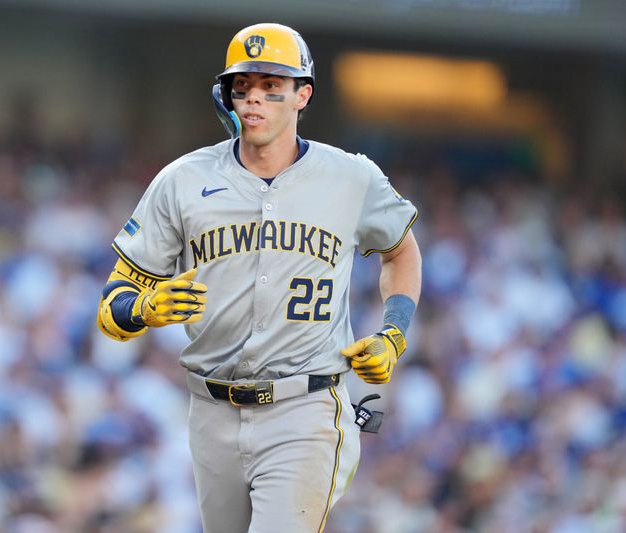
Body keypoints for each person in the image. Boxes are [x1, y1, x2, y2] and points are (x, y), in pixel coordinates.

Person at [97, 22, 422, 533]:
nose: (254, 99)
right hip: (211, 409)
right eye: (242, 86)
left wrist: (393, 333)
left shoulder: (351, 177)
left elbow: (401, 253)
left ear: (302, 95)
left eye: (272, 87)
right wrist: (141, 308)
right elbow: (114, 298)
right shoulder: (183, 180)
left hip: (306, 406)